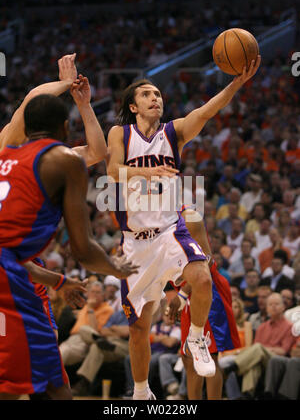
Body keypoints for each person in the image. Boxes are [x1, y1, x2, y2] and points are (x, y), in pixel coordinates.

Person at [107, 57, 260, 400]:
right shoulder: (121, 133)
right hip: (135, 245)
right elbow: (113, 171)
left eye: (158, 94)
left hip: (168, 230)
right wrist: (146, 173)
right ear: (133, 106)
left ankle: (195, 338)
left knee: (203, 277)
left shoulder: (173, 132)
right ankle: (143, 391)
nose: (155, 98)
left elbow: (205, 112)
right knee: (139, 329)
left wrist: (236, 84)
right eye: (147, 94)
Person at [0, 88, 138, 399]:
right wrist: (115, 268)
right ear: (65, 127)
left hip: (16, 270)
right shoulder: (61, 160)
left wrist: (59, 280)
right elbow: (83, 249)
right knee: (10, 384)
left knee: (53, 380)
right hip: (9, 280)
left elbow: (7, 254)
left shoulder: (5, 152)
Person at [167, 208, 241, 400]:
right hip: (185, 288)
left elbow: (206, 260)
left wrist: (183, 293)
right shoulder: (157, 222)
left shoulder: (189, 216)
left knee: (209, 355)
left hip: (209, 288)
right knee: (188, 358)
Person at [221, 293, 297, 398]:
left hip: (277, 362)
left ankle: (234, 367)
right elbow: (255, 350)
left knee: (258, 348)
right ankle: (247, 394)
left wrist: (264, 348)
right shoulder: (262, 327)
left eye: (276, 304)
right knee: (254, 364)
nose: (273, 306)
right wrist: (263, 349)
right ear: (266, 308)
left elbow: (283, 351)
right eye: (270, 304)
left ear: (283, 307)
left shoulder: (289, 326)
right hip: (260, 358)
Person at [71, 308, 130, 397]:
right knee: (84, 329)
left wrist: (113, 328)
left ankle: (84, 383)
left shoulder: (139, 314)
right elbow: (103, 331)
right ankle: (98, 339)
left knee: (97, 346)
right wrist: (117, 331)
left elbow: (127, 332)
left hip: (125, 345)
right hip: (108, 341)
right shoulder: (117, 314)